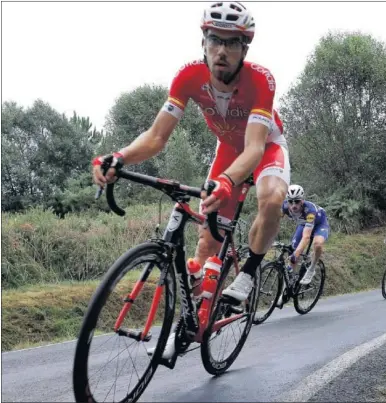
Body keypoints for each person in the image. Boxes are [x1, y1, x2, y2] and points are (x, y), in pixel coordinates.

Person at [91, 2, 290, 360]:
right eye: (215, 40)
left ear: (245, 48)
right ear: (203, 41)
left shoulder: (261, 79)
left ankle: (247, 274)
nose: (222, 50)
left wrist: (229, 180)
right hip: (228, 150)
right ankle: (189, 323)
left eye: (232, 43)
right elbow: (156, 137)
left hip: (264, 147)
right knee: (204, 247)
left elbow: (256, 147)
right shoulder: (188, 76)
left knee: (272, 197)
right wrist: (119, 157)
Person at [280, 185, 329, 288]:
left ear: (302, 200)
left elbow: (306, 237)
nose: (293, 205)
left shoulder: (310, 210)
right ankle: (286, 287)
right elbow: (273, 222)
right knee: (293, 250)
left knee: (317, 244)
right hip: (304, 224)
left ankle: (312, 268)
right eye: (290, 201)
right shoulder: (284, 207)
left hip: (319, 224)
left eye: (297, 201)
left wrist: (296, 254)